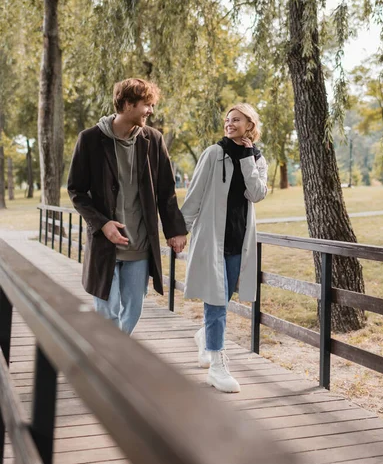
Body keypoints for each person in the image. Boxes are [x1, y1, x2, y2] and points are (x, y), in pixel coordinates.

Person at [68, 78, 187, 334]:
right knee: (107, 312)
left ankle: (115, 357)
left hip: (141, 244)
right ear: (128, 104)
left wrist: (175, 230)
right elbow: (76, 191)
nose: (151, 111)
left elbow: (166, 191)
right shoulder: (90, 140)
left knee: (133, 309)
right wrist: (102, 224)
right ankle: (111, 363)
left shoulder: (153, 140)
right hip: (105, 243)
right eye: (147, 105)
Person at [178, 103, 267, 393]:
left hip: (239, 242)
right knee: (216, 303)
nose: (230, 124)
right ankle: (217, 365)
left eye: (236, 120)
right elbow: (194, 197)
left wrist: (247, 160)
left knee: (223, 300)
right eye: (227, 119)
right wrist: (180, 231)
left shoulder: (257, 159)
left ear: (250, 125)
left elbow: (256, 194)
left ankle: (204, 336)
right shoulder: (213, 154)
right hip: (212, 240)